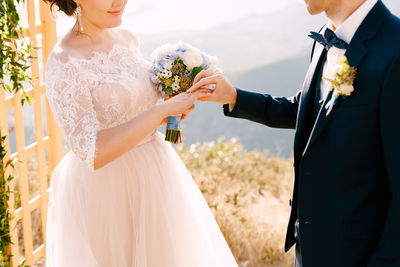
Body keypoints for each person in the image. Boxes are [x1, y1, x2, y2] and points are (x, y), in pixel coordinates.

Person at [188, 0, 400, 266]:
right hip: (310, 249)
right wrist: (233, 96)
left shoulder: (395, 49)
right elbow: (309, 110)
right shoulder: (325, 39)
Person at [42, 0, 238, 266]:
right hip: (106, 192)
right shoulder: (64, 62)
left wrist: (172, 107)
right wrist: (159, 113)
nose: (120, 1)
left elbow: (138, 106)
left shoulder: (127, 38)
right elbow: (92, 152)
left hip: (155, 174)